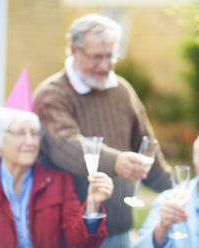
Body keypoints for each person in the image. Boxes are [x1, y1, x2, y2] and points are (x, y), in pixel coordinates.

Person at [32, 13, 172, 247]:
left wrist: (179, 192)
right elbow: (65, 145)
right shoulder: (52, 95)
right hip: (69, 231)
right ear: (73, 50)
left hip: (119, 229)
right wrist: (116, 161)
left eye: (110, 57)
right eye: (96, 57)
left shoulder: (122, 91)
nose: (105, 65)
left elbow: (147, 150)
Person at [0, 107, 113, 248]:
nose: (30, 142)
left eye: (34, 133)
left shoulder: (58, 182)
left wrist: (92, 204)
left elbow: (80, 239)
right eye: (20, 133)